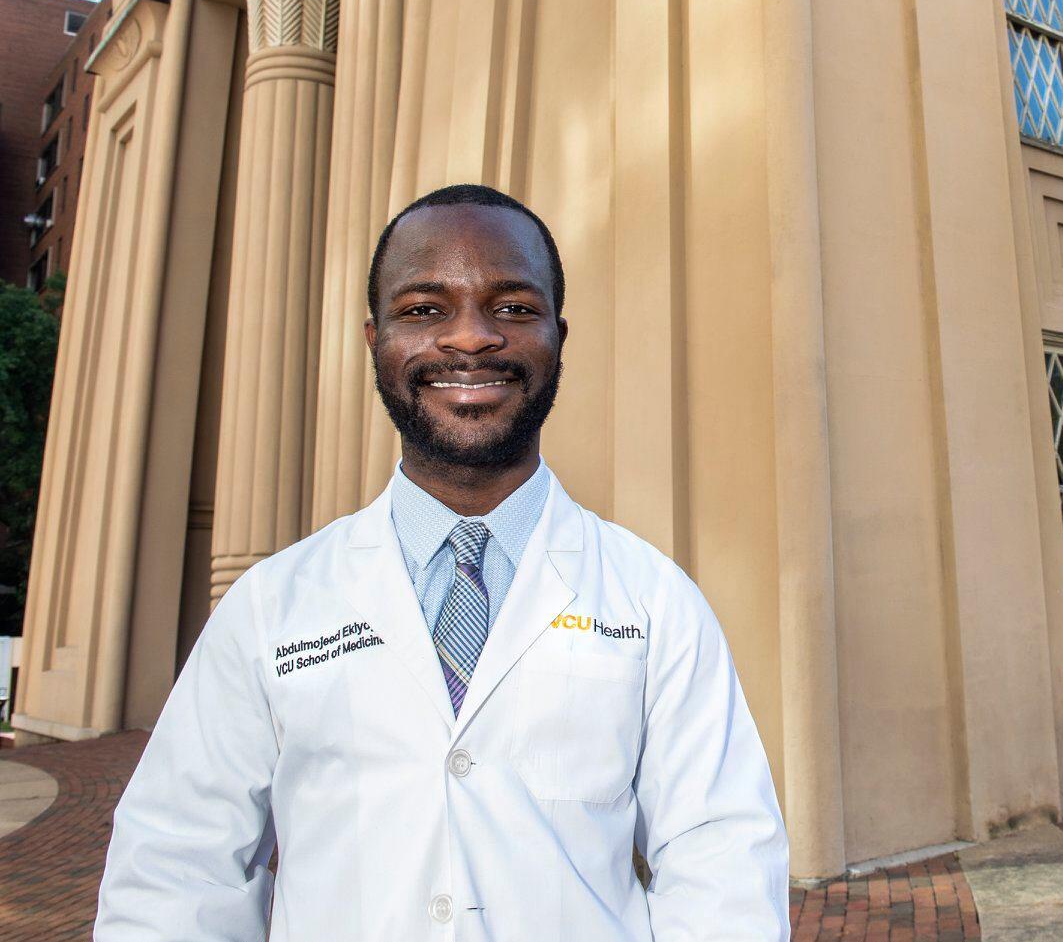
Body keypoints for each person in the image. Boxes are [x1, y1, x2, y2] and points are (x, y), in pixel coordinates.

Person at [95, 184, 788, 939]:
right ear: (375, 340)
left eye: (513, 308)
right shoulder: (270, 607)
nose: (469, 337)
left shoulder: (655, 601)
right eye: (425, 309)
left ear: (558, 335)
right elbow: (174, 873)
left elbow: (723, 868)